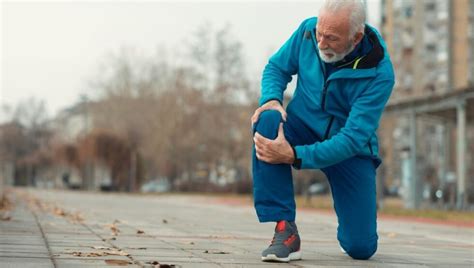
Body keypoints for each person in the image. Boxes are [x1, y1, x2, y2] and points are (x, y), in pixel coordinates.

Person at [250, 0, 395, 262]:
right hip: (301, 126)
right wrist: (271, 98)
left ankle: (352, 233)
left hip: (350, 149)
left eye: (331, 38)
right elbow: (277, 67)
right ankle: (286, 231)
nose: (321, 43)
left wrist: (294, 155)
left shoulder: (379, 73)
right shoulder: (307, 31)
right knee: (268, 120)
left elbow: (352, 139)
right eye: (320, 33)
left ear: (356, 37)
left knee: (361, 248)